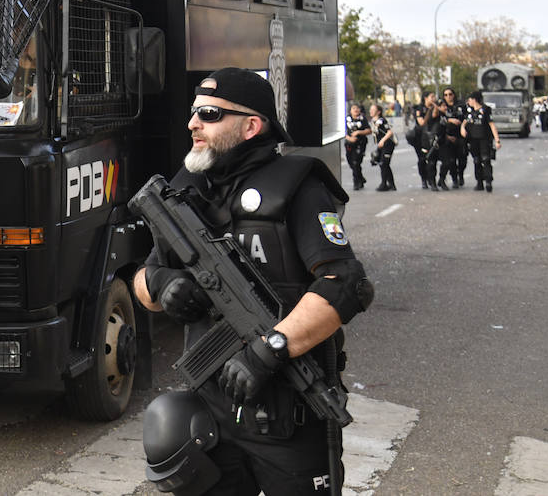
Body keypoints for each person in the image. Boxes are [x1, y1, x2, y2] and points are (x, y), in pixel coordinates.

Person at [133, 67, 372, 495]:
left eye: (208, 114)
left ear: (251, 126)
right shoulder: (186, 190)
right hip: (210, 416)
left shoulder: (297, 187)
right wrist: (163, 283)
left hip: (288, 418)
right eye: (193, 113)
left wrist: (270, 348)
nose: (193, 124)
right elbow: (141, 281)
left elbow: (345, 283)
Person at [461, 89, 502, 193]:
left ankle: (488, 181)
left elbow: (491, 125)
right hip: (473, 139)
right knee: (476, 160)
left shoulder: (486, 110)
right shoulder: (469, 110)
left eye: (470, 99)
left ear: (474, 99)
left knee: (486, 159)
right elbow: (465, 122)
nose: (468, 101)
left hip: (484, 139)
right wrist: (462, 128)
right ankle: (479, 182)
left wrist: (497, 140)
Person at [441, 88, 467, 188]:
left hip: (460, 135)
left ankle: (460, 174)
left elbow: (467, 117)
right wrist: (449, 120)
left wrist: (463, 125)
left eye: (450, 94)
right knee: (451, 160)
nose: (448, 97)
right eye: (445, 95)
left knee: (462, 158)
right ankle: (454, 179)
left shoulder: (460, 105)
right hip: (448, 135)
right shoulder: (443, 106)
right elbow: (439, 117)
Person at [407, 92, 434, 189]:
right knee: (422, 159)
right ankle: (424, 179)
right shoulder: (419, 108)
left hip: (431, 135)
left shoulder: (435, 107)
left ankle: (432, 179)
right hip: (420, 137)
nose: (433, 99)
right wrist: (429, 112)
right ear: (426, 98)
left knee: (432, 159)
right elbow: (421, 122)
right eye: (432, 97)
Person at [368, 103, 397, 192]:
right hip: (381, 145)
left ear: (379, 112)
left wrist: (382, 140)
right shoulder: (373, 121)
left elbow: (389, 132)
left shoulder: (382, 121)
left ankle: (384, 184)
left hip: (387, 144)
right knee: (382, 163)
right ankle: (391, 184)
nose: (371, 111)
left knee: (384, 163)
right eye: (370, 110)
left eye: (373, 110)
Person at [342, 103, 370, 191]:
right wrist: (349, 138)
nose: (356, 110)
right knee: (350, 161)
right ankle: (361, 178)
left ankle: (356, 182)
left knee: (356, 162)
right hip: (349, 144)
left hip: (360, 144)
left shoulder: (362, 119)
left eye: (357, 108)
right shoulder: (347, 119)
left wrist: (358, 132)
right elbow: (343, 132)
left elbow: (368, 130)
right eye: (354, 108)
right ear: (350, 110)